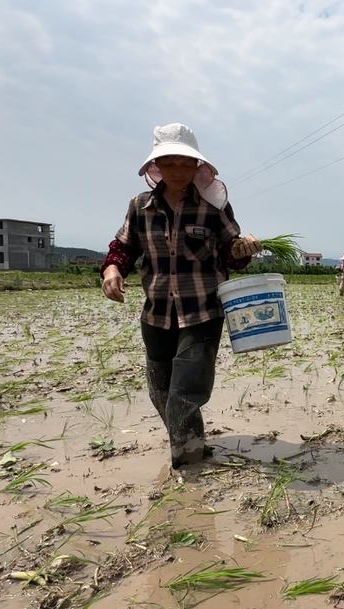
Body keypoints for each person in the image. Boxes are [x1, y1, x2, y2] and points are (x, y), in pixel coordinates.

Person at [100, 123, 261, 470]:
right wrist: (112, 271)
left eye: (185, 164)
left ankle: (187, 471)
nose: (177, 171)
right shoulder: (139, 206)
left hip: (203, 311)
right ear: (155, 167)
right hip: (156, 313)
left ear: (197, 167)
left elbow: (231, 255)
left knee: (184, 392)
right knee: (160, 393)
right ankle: (192, 446)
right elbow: (123, 248)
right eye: (169, 164)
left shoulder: (213, 205)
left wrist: (243, 250)